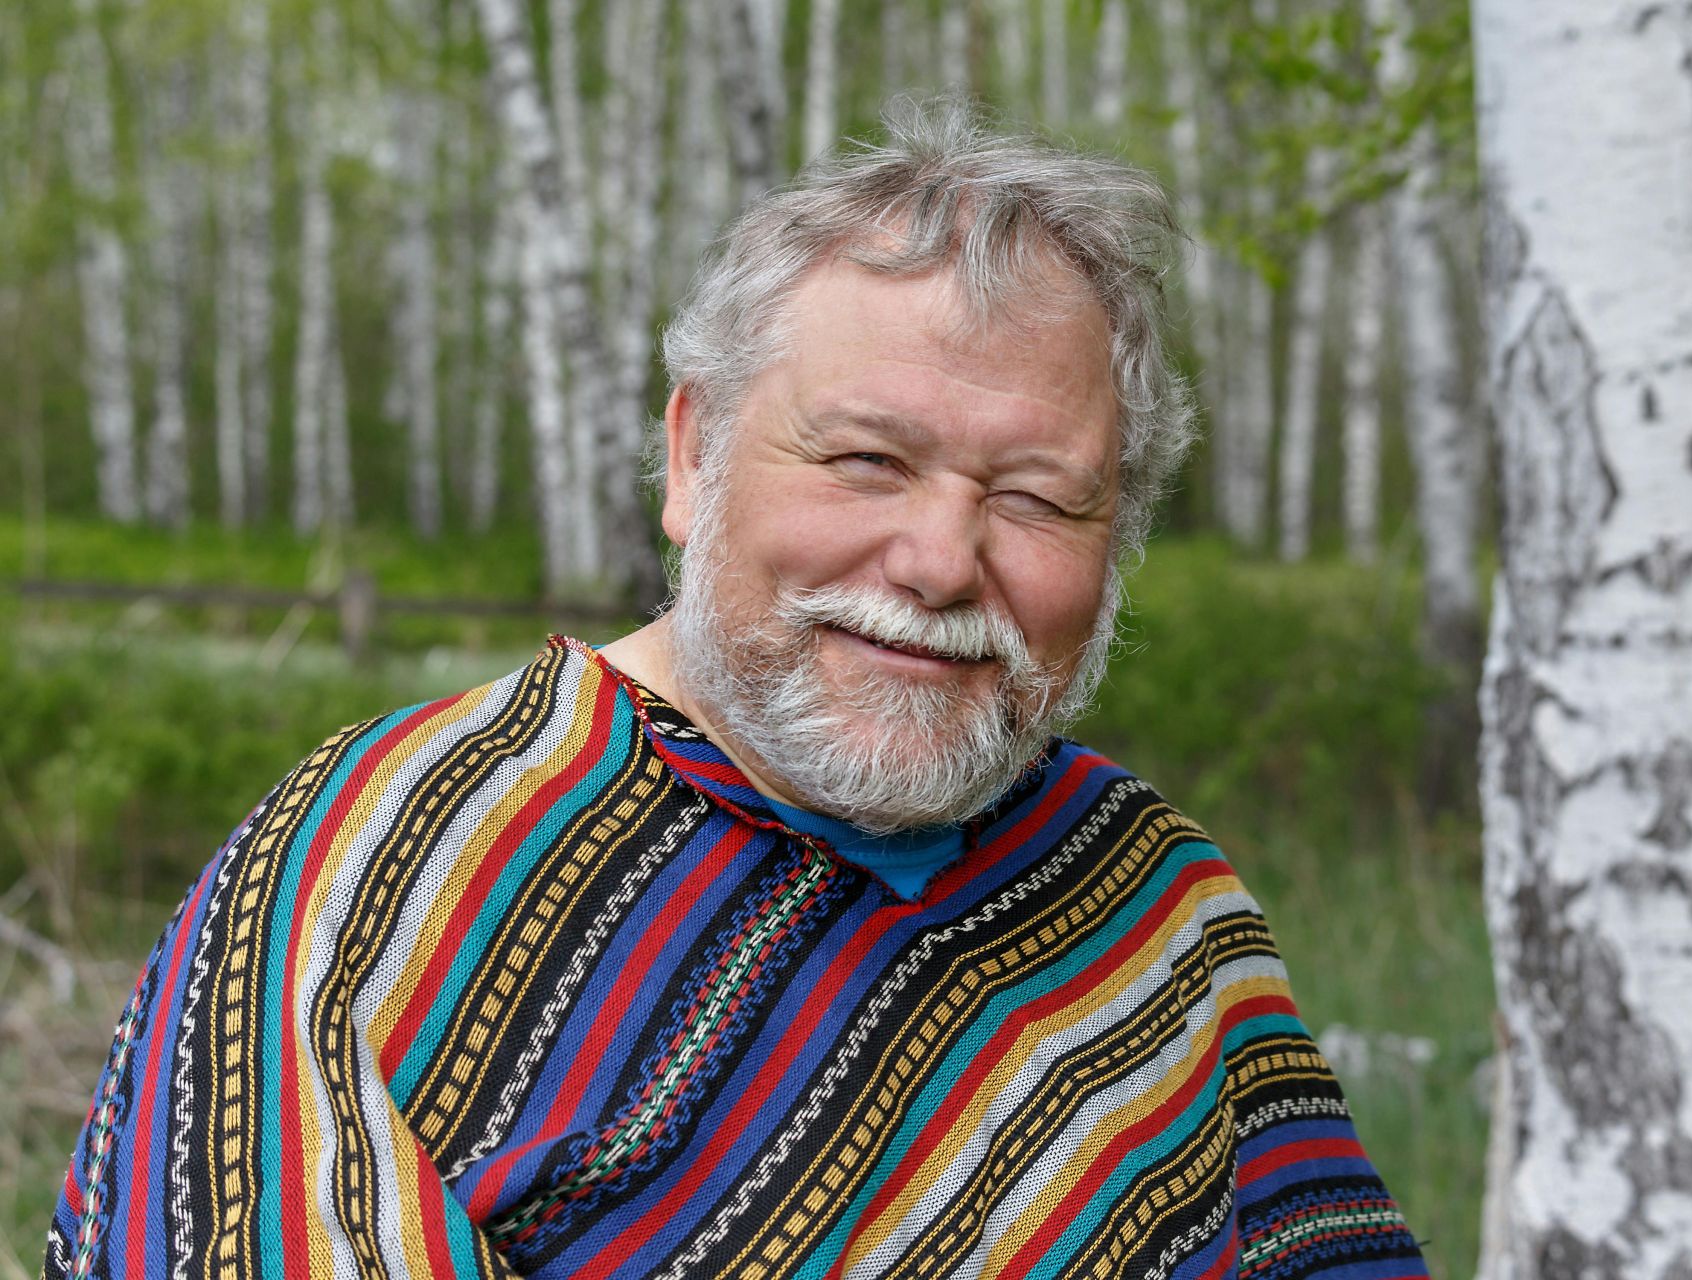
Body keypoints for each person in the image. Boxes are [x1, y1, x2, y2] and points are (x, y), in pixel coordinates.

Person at [48, 100, 1428, 1280]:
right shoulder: (375, 879)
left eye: (1036, 498)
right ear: (693, 457)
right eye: (868, 463)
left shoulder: (1149, 894)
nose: (941, 562)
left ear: (1117, 541)